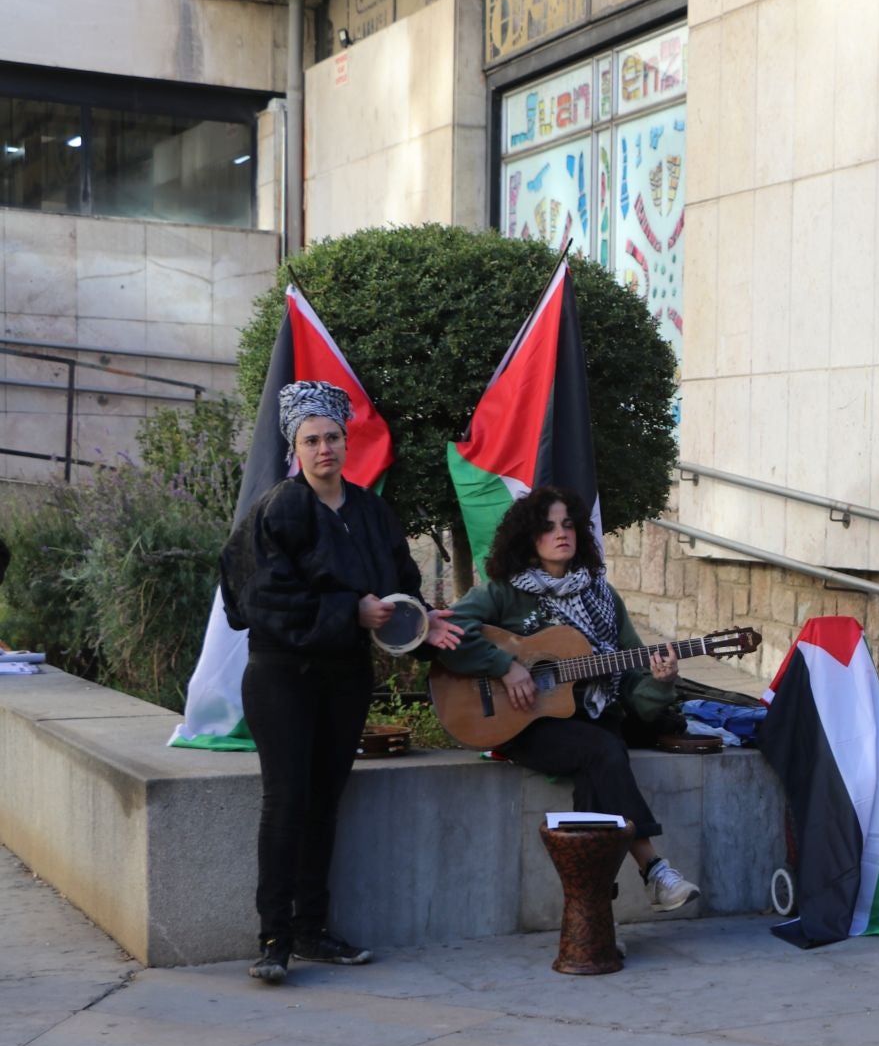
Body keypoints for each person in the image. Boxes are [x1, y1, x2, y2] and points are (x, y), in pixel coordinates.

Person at [220, 381, 462, 986]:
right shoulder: (278, 509)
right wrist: (349, 612)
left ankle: (312, 930)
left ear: (345, 441)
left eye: (332, 436)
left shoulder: (372, 513)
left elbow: (400, 583)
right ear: (294, 448)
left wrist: (421, 620)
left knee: (325, 802)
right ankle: (273, 937)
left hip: (345, 674)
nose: (324, 447)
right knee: (286, 802)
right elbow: (257, 600)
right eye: (311, 439)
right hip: (281, 673)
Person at [437, 487, 701, 918]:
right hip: (521, 725)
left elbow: (632, 682)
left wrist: (661, 682)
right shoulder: (504, 594)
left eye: (568, 524)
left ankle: (591, 902)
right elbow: (449, 634)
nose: (561, 533)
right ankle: (653, 868)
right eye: (548, 526)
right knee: (602, 750)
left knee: (600, 755)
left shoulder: (602, 596)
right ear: (528, 536)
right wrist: (506, 666)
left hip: (592, 718)